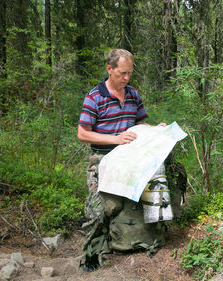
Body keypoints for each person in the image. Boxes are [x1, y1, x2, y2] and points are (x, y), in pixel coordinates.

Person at [77, 49, 166, 272]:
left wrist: (155, 129)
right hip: (103, 157)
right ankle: (90, 255)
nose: (126, 78)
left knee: (153, 186)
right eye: (122, 73)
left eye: (129, 73)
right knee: (99, 209)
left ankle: (150, 240)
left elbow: (140, 123)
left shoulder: (132, 94)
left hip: (129, 156)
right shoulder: (95, 96)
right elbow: (83, 133)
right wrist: (115, 139)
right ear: (110, 69)